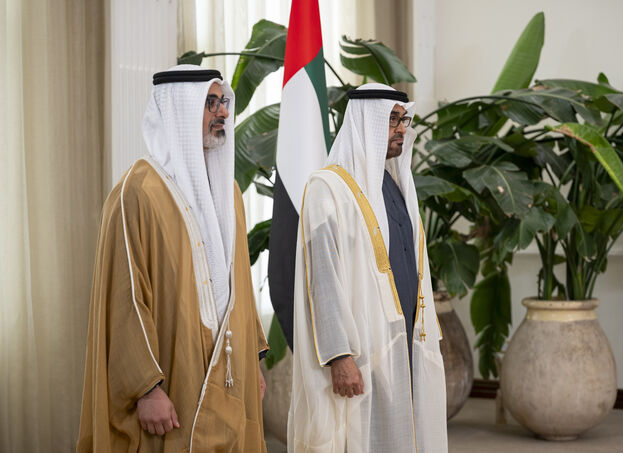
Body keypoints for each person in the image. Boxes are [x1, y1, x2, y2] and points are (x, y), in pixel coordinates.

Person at [77, 65, 269, 452]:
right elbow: (125, 297)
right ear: (179, 110)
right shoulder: (138, 190)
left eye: (222, 102)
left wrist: (252, 361)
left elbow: (239, 285)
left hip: (227, 373)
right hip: (172, 379)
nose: (223, 113)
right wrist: (147, 388)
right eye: (209, 103)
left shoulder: (228, 190)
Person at [288, 83, 447, 452]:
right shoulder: (327, 188)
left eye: (403, 120)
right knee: (356, 437)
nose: (401, 130)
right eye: (392, 120)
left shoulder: (396, 183)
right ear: (365, 122)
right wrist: (339, 356)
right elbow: (322, 280)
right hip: (360, 348)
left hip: (402, 337)